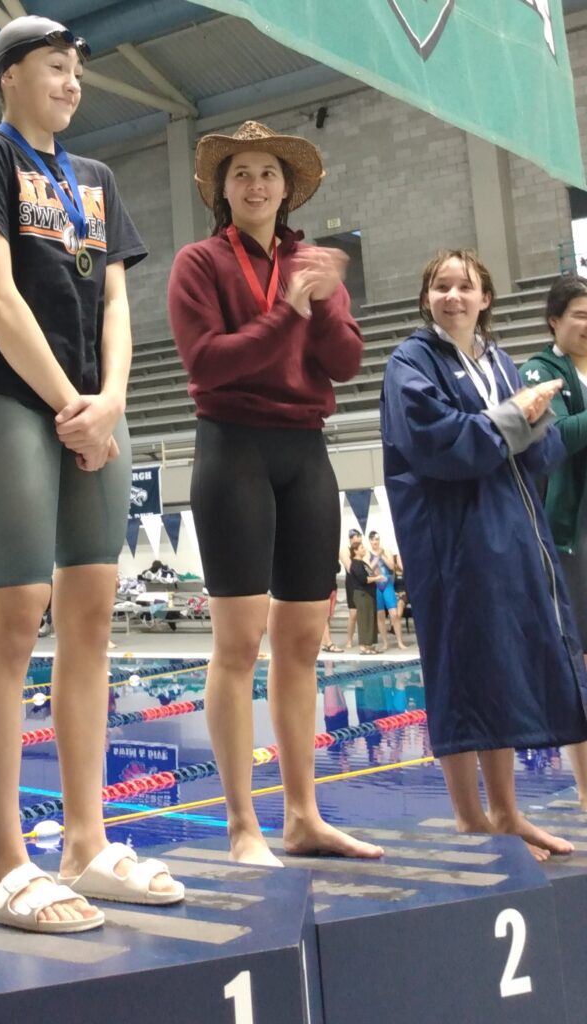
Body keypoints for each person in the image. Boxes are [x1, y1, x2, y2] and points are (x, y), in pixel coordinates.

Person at [0, 16, 182, 933]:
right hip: (14, 399)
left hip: (95, 409)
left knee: (91, 618)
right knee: (16, 615)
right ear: (8, 76)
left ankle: (85, 840)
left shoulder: (96, 180)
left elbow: (120, 297)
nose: (71, 83)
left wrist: (112, 400)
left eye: (77, 71)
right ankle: (5, 863)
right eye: (54, 67)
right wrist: (68, 405)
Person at [167, 120, 382, 864]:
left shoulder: (310, 262)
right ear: (221, 192)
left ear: (287, 188)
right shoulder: (198, 263)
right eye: (240, 175)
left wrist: (320, 301)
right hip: (232, 450)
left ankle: (301, 816)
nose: (255, 185)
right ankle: (241, 825)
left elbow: (347, 361)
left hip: (306, 453)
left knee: (302, 644)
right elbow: (210, 363)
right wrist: (286, 309)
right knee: (238, 642)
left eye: (267, 174)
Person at [380, 249, 587, 859]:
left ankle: (506, 811)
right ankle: (471, 819)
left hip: (512, 534)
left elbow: (537, 450)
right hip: (452, 540)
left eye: (464, 287)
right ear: (426, 299)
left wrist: (534, 419)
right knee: (459, 670)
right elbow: (438, 442)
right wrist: (514, 419)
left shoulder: (498, 361)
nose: (452, 296)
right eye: (440, 286)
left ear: (486, 298)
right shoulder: (409, 362)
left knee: (500, 667)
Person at [519, 274, 587, 811]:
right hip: (570, 538)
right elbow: (560, 437)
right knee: (577, 664)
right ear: (554, 321)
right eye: (579, 315)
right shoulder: (540, 373)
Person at [368, 530, 407, 650]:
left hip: (388, 585)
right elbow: (369, 569)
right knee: (380, 616)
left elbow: (391, 567)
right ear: (370, 541)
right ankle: (385, 643)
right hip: (376, 587)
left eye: (377, 539)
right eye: (373, 539)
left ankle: (400, 641)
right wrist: (377, 556)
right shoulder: (367, 554)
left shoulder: (387, 551)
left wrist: (382, 555)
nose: (376, 542)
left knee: (394, 614)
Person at [348, 537, 381, 655]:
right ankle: (363, 646)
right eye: (361, 547)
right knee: (364, 620)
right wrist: (377, 578)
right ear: (355, 551)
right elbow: (363, 579)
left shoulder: (362, 563)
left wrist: (375, 575)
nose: (364, 549)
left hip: (368, 594)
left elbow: (369, 574)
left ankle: (369, 645)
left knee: (370, 619)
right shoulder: (355, 564)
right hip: (362, 594)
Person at [340, 528, 361, 648]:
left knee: (364, 612)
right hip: (352, 583)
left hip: (363, 583)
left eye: (359, 537)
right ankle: (349, 639)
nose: (358, 539)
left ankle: (365, 638)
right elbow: (350, 568)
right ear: (351, 538)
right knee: (353, 613)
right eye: (356, 537)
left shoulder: (362, 550)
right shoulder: (345, 551)